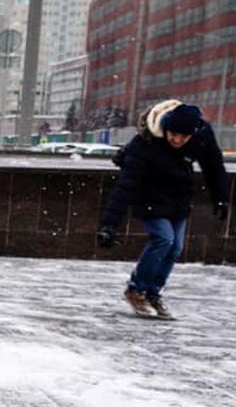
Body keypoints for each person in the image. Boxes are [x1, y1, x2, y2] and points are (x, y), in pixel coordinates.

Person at [97, 100, 229, 318]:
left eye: (183, 137)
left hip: (178, 199)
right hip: (148, 196)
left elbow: (214, 166)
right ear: (166, 128)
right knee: (163, 239)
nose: (177, 140)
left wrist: (221, 198)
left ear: (193, 134)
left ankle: (153, 293)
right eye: (173, 134)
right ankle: (135, 289)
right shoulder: (145, 143)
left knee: (175, 247)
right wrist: (109, 225)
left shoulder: (202, 136)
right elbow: (125, 186)